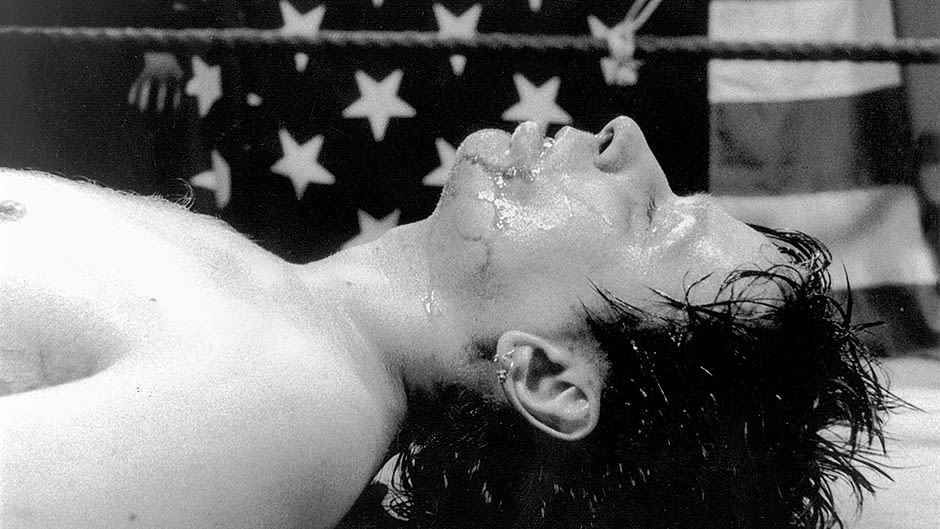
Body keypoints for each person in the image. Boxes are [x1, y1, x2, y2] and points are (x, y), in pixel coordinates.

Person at [0, 117, 890, 529]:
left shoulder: (286, 403)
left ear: (546, 374)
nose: (628, 138)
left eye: (651, 216)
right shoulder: (286, 326)